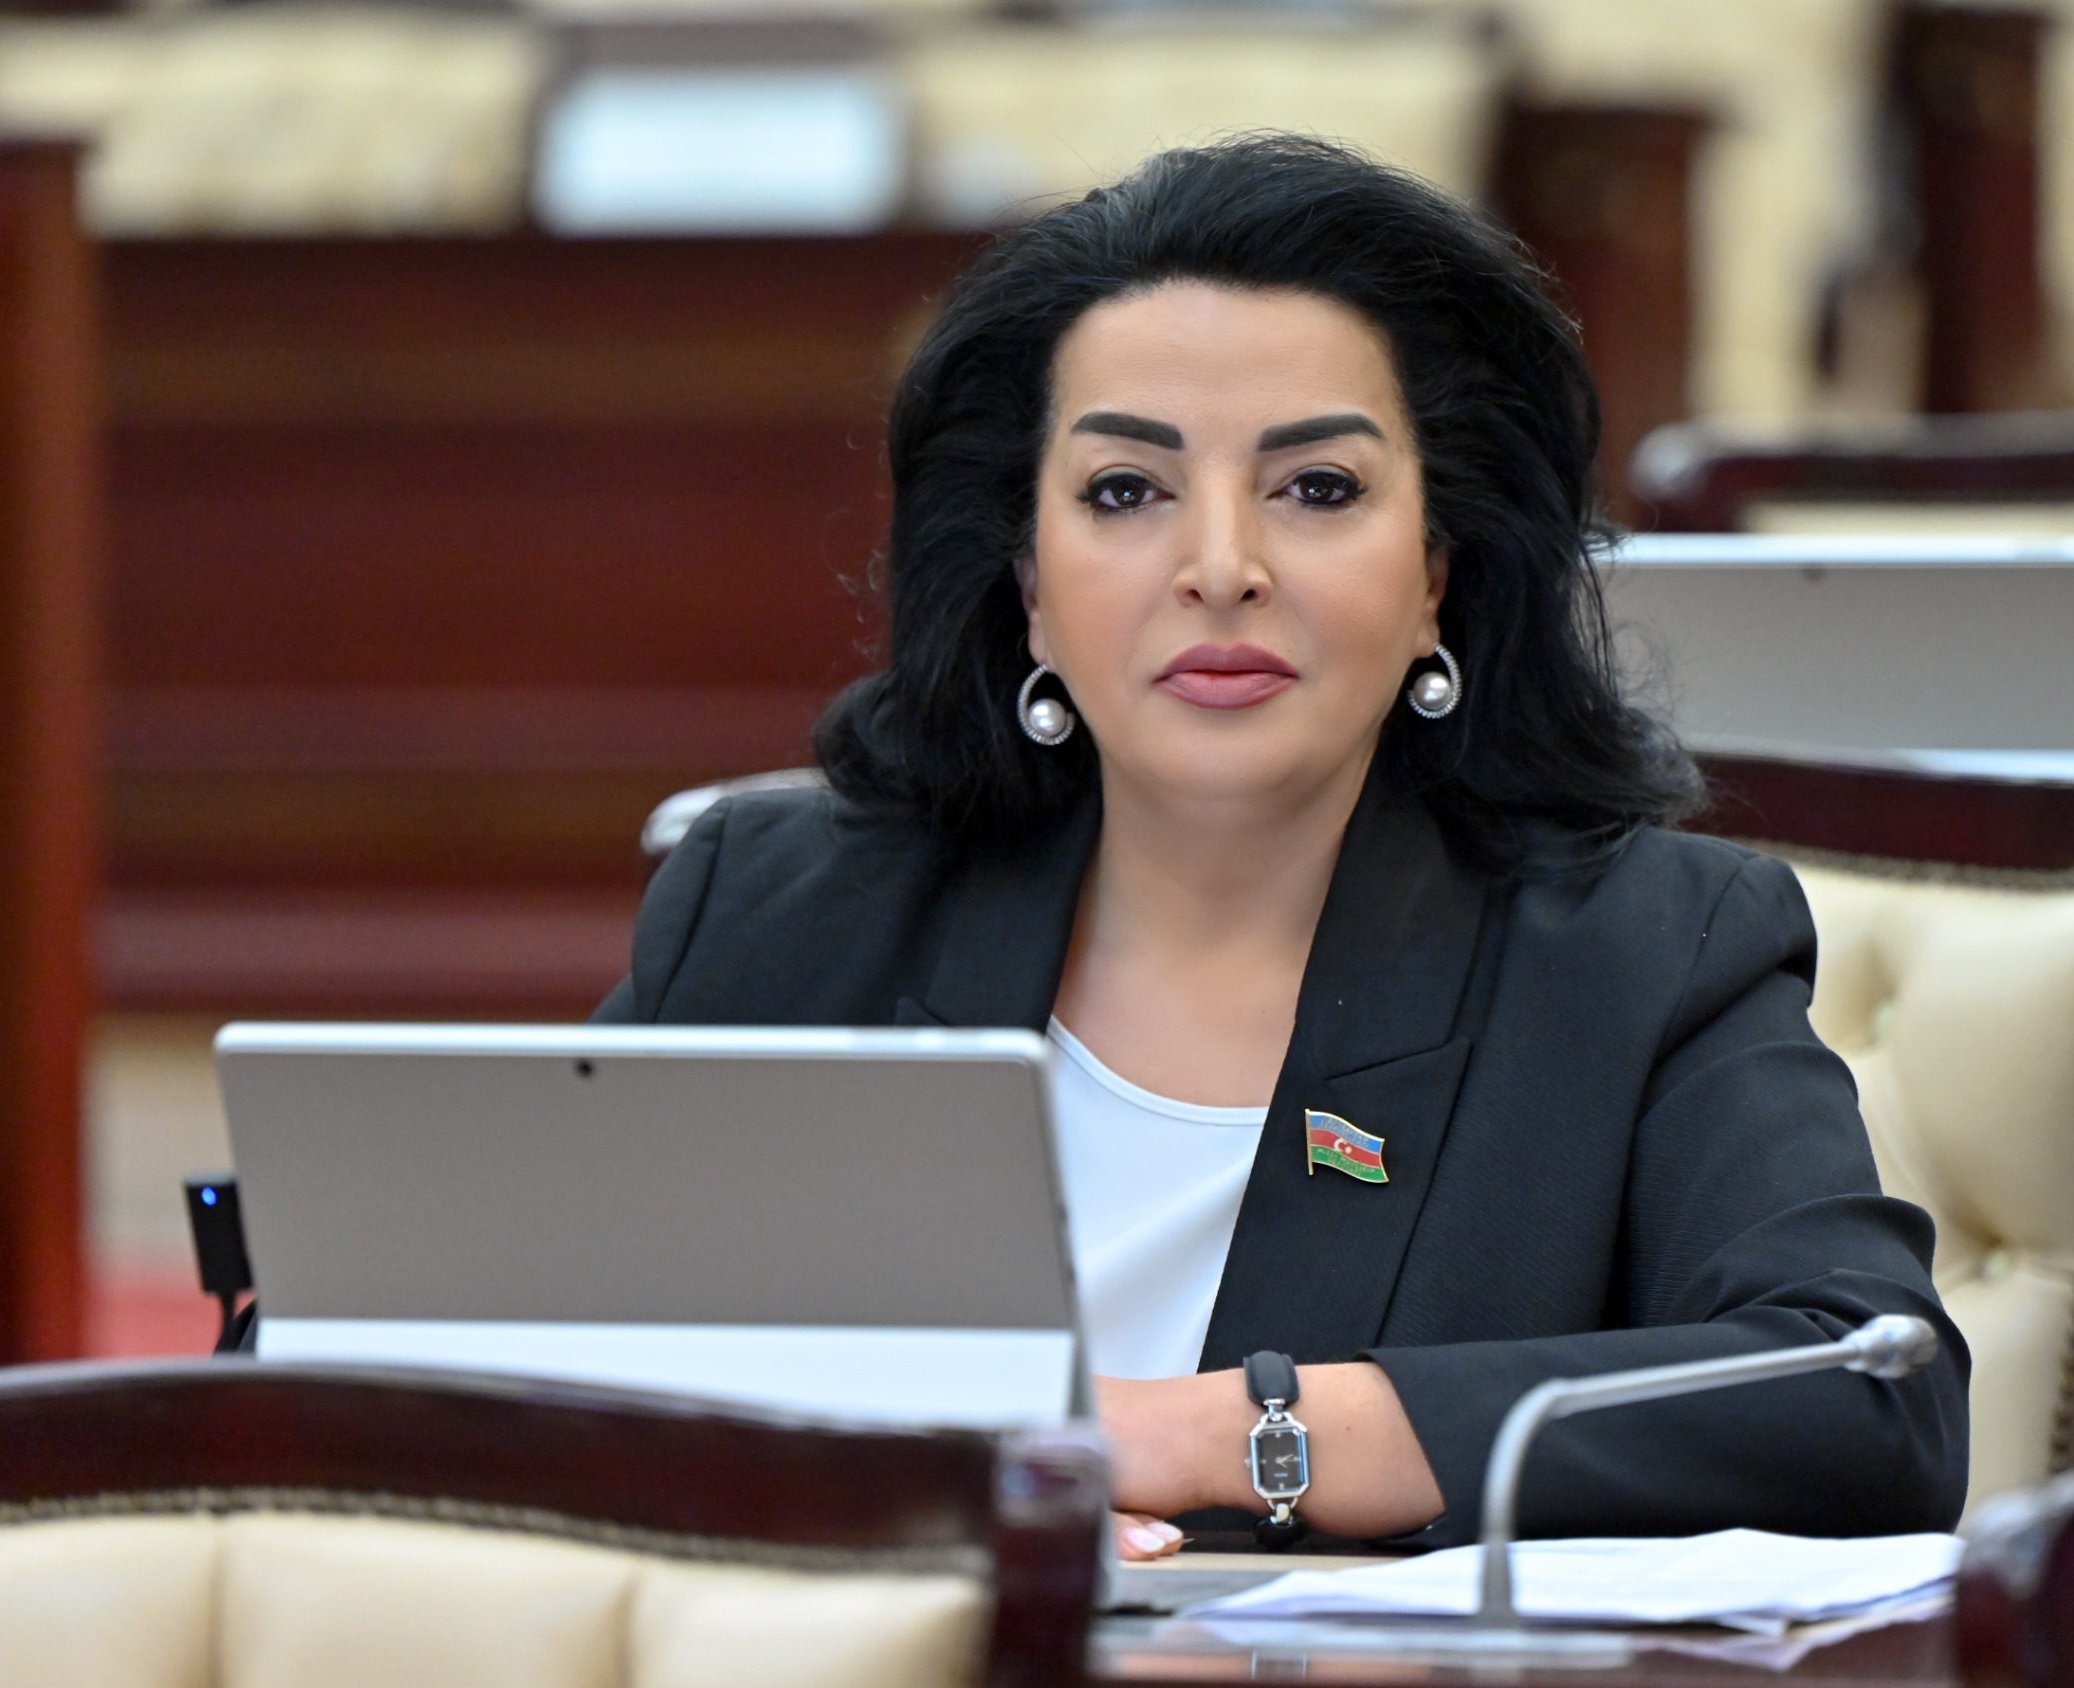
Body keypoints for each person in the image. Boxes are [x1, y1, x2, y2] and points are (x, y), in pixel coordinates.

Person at [597, 135, 1968, 1558]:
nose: (1221, 567)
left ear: (1437, 571)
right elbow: (509, 1354)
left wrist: (1219, 1437)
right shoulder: (778, 911)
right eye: (1125, 490)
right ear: (1028, 584)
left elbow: (1872, 1397)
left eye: (1316, 488)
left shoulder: (1642, 954)